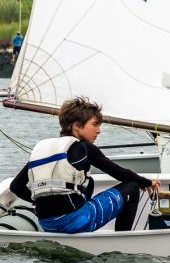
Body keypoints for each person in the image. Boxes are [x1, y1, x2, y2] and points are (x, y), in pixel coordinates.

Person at [10, 97, 159, 233]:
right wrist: (146, 182)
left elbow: (16, 186)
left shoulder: (43, 149)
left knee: (89, 182)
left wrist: (38, 201)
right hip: (75, 222)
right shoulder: (84, 148)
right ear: (77, 126)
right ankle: (122, 240)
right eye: (95, 124)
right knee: (132, 186)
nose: (98, 131)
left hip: (47, 223)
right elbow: (120, 173)